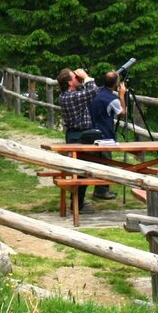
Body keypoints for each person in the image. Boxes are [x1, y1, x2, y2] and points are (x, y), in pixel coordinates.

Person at [56, 67, 110, 211]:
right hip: (79, 137)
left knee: (82, 171)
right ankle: (77, 204)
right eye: (75, 77)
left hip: (78, 135)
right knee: (82, 171)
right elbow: (93, 90)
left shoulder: (70, 95)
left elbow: (90, 91)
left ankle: (78, 202)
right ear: (69, 83)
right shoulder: (70, 97)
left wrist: (83, 79)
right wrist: (86, 77)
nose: (78, 78)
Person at [88, 70, 125, 200]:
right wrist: (121, 95)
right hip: (106, 136)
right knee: (106, 163)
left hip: (91, 132)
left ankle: (99, 189)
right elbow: (122, 113)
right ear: (116, 83)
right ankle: (102, 190)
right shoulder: (113, 99)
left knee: (95, 162)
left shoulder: (96, 92)